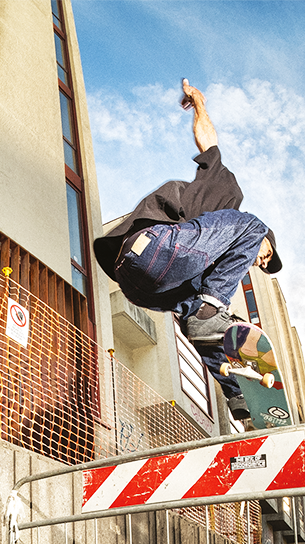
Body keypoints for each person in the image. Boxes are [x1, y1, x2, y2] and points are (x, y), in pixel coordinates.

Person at [93, 79, 281, 424]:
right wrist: (198, 104)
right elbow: (210, 143)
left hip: (139, 284)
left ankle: (236, 394)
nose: (258, 261)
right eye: (265, 254)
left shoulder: (209, 264)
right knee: (249, 226)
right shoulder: (226, 196)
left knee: (199, 319)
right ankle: (213, 312)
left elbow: (198, 328)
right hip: (152, 248)